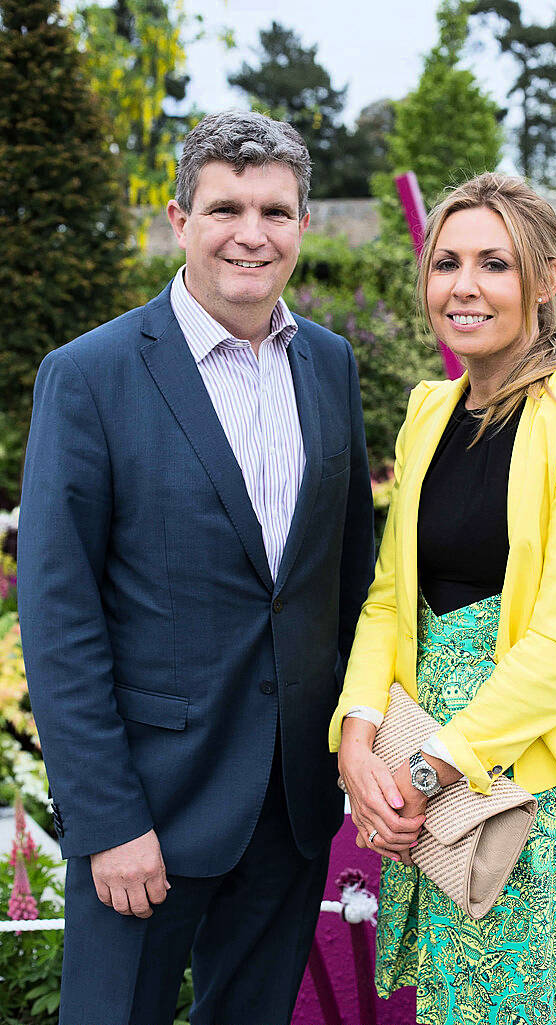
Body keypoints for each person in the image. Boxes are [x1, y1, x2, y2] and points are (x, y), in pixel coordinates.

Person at [17, 110, 375, 1025]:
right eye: (225, 208)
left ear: (302, 224)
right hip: (149, 815)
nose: (251, 234)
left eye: (275, 210)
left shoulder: (329, 365)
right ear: (179, 219)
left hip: (291, 811)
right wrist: (106, 823)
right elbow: (59, 619)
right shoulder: (89, 374)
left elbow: (346, 586)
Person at [330, 172, 556, 1024]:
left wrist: (418, 774)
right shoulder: (426, 411)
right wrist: (357, 746)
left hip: (536, 790)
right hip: (429, 794)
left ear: (545, 280)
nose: (463, 286)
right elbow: (388, 598)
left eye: (494, 264)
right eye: (445, 263)